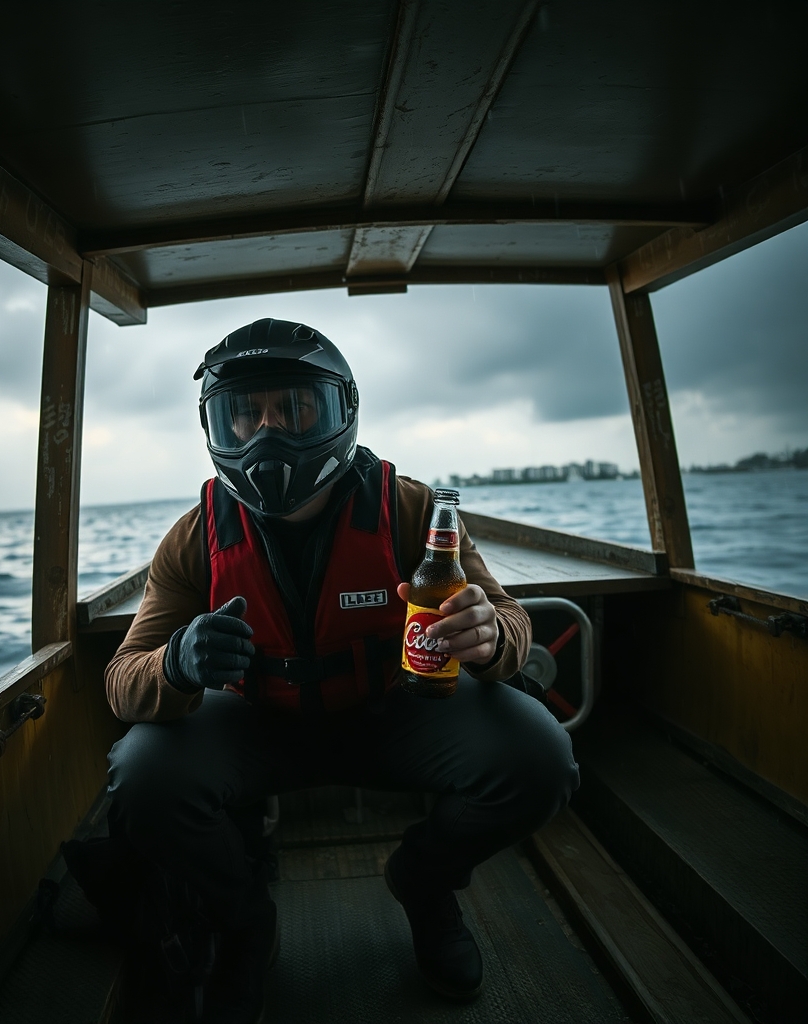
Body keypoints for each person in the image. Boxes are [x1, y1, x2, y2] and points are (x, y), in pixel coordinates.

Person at [104, 318, 579, 1023]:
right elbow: (122, 679)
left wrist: (490, 637)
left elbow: (507, 619)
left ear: (341, 411)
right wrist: (176, 663)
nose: (267, 436)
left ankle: (424, 882)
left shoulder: (409, 508)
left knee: (542, 755)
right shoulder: (195, 536)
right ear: (217, 428)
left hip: (391, 711)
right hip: (260, 723)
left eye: (294, 409)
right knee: (140, 774)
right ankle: (242, 919)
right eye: (244, 415)